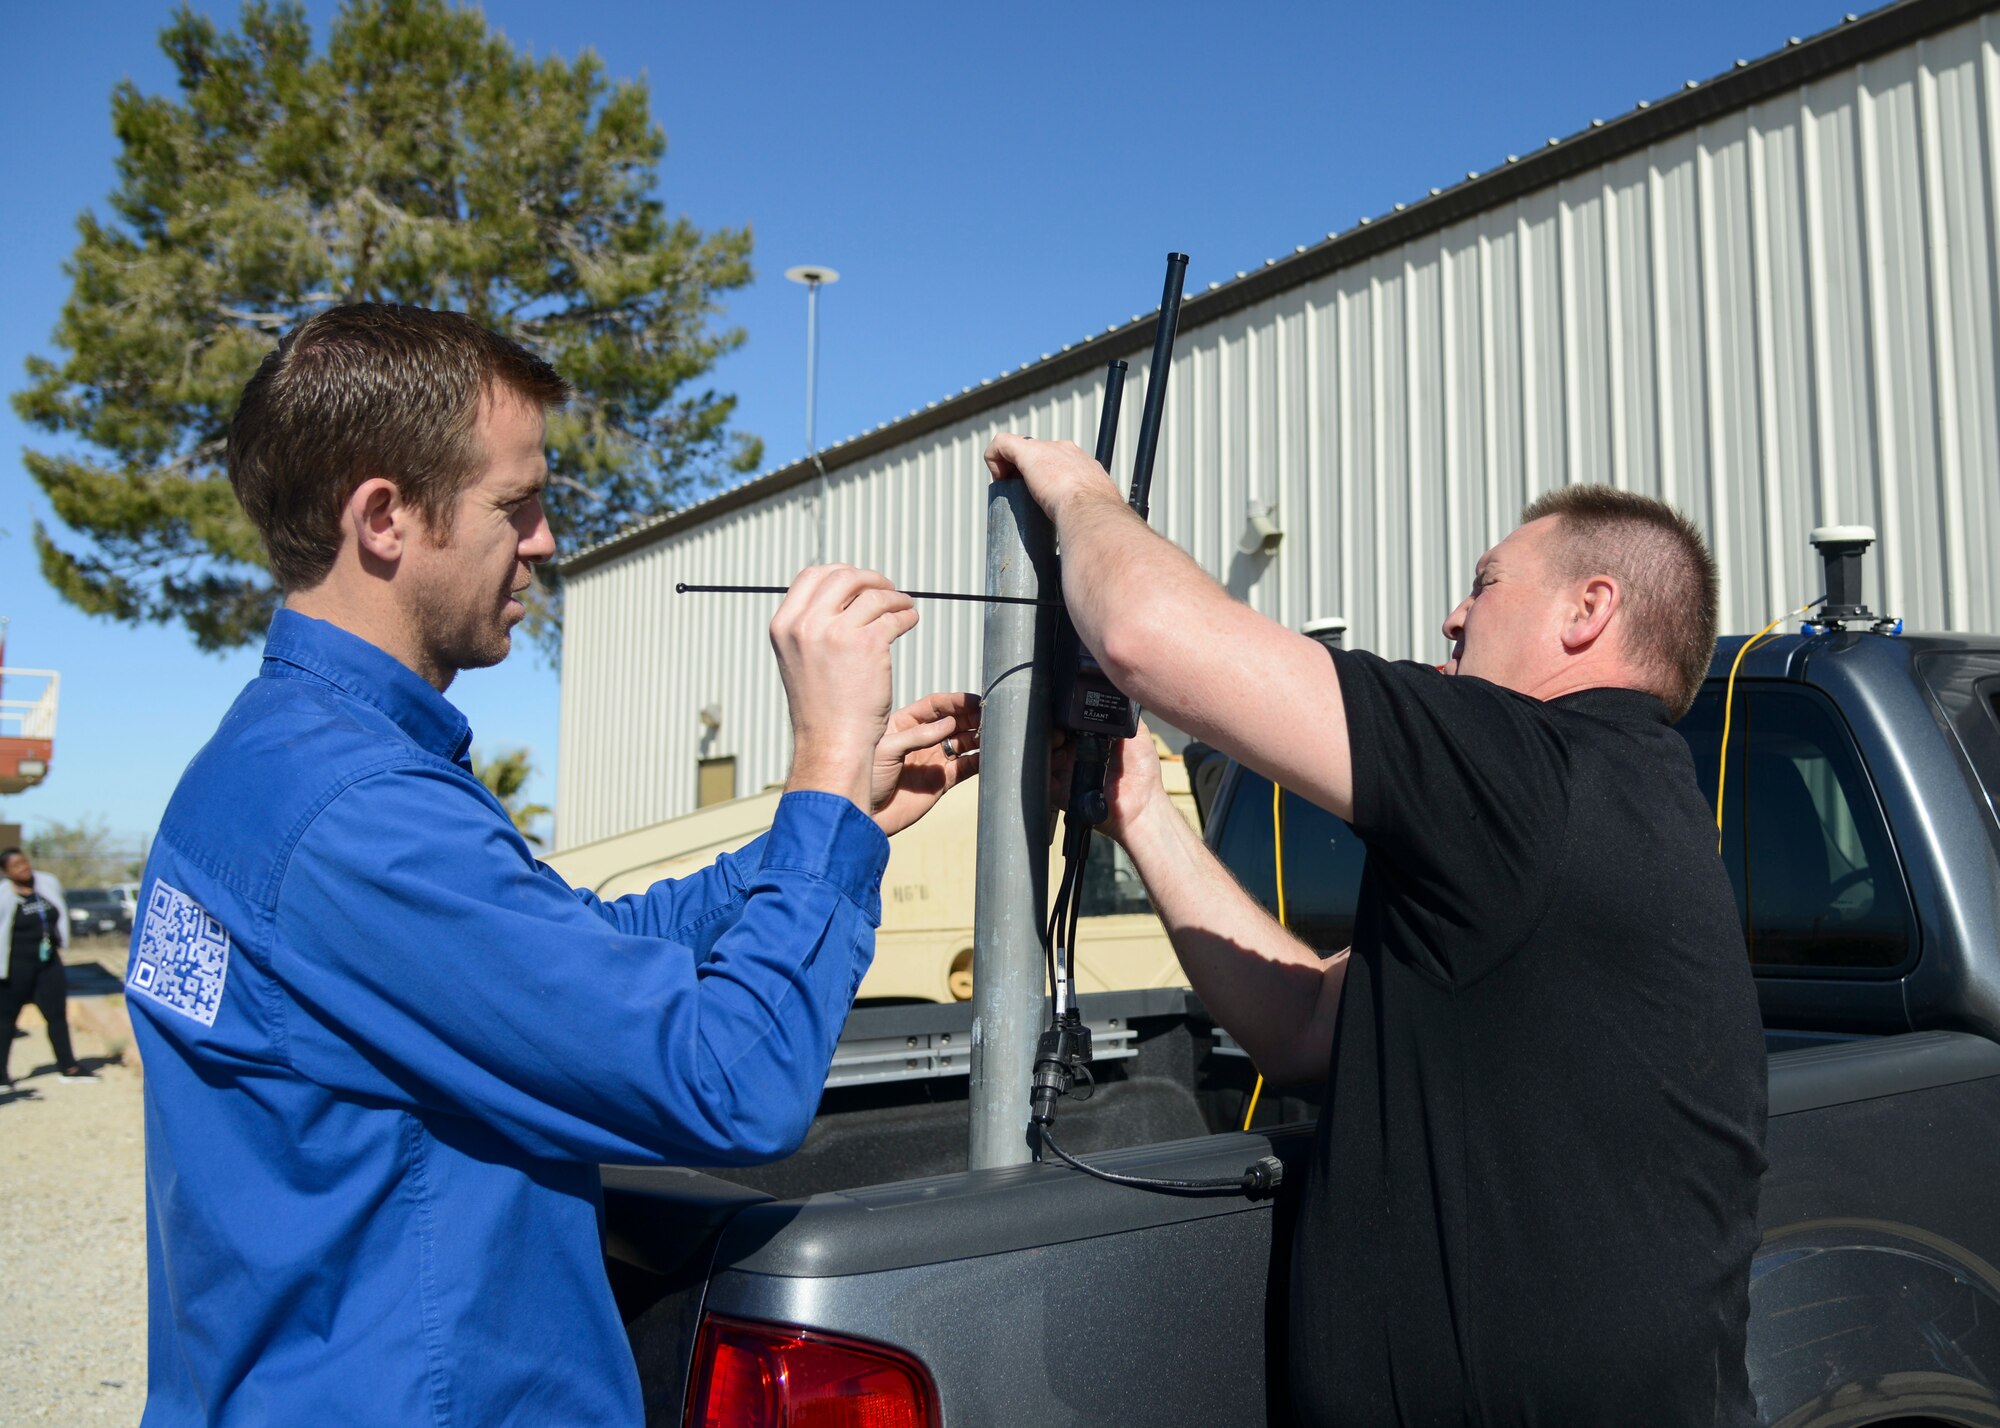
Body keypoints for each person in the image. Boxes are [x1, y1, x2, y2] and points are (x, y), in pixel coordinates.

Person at [127, 303, 979, 1427]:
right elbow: (729, 1084)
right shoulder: (357, 815)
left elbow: (568, 954)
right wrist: (820, 757)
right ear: (384, 516)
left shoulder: (271, 766)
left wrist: (835, 818)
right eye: (515, 503)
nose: (542, 539)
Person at [989, 434, 1766, 1426]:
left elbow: (1145, 633)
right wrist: (1140, 812)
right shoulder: (1588, 813)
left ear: (1589, 609)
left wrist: (1082, 496)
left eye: (1484, 583)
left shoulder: (1535, 768)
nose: (1452, 613)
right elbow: (1308, 1023)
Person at [1, 848, 96, 1084]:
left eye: (25, 862)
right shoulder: (3, 894)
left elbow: (60, 914)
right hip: (15, 966)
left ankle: (69, 1067)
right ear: (6, 872)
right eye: (16, 866)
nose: (24, 867)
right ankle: (1, 1074)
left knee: (56, 1016)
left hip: (48, 963)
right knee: (6, 1020)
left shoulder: (46, 883)